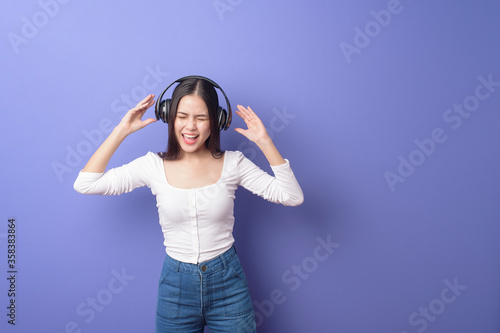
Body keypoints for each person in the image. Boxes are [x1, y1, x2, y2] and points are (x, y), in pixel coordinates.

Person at [73, 77, 304, 332]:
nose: (190, 127)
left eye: (201, 118)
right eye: (182, 116)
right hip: (176, 289)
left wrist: (264, 142)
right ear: (168, 116)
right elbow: (86, 184)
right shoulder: (152, 166)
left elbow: (292, 196)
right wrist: (121, 131)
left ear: (217, 121)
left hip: (229, 286)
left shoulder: (234, 164)